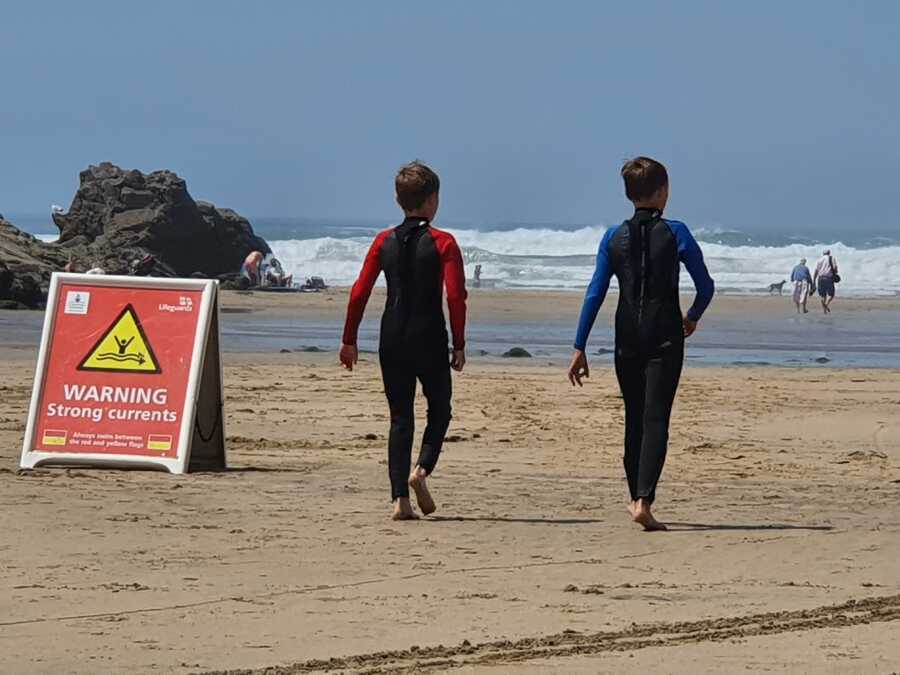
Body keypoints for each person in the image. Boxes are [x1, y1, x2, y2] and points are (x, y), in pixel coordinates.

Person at [567, 157, 714, 531]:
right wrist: (692, 316)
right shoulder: (677, 232)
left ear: (629, 194)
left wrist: (579, 345)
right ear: (663, 192)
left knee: (634, 418)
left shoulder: (612, 237)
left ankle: (635, 496)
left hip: (626, 338)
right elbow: (705, 286)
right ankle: (643, 500)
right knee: (655, 418)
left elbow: (595, 292)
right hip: (665, 336)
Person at [340, 161, 467, 520]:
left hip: (391, 336)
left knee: (400, 418)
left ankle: (400, 501)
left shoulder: (384, 241)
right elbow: (456, 296)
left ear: (398, 199)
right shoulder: (443, 242)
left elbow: (359, 292)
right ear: (432, 200)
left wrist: (349, 339)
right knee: (439, 409)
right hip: (428, 336)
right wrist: (458, 343)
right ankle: (421, 471)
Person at [813, 249, 839, 314]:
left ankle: (824, 311)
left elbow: (816, 271)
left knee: (822, 295)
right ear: (829, 253)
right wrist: (836, 271)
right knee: (831, 295)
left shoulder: (819, 260)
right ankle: (826, 305)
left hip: (820, 278)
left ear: (823, 253)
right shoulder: (832, 258)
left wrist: (814, 280)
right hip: (829, 278)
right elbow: (835, 267)